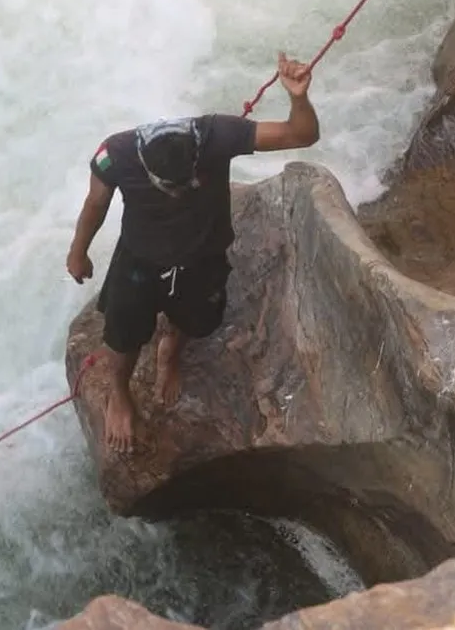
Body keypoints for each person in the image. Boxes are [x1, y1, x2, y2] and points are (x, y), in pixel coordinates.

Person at [65, 52, 320, 454]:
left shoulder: (216, 135)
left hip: (203, 255)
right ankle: (119, 393)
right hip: (139, 259)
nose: (182, 192)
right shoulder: (116, 154)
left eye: (190, 183)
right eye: (171, 187)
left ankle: (171, 351)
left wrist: (299, 98)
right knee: (123, 333)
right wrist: (78, 252)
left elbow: (300, 135)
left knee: (198, 320)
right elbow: (95, 205)